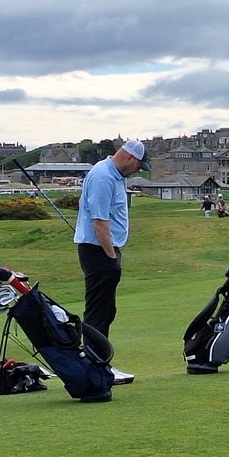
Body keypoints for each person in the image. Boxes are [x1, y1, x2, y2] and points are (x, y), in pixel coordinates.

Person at [74, 139, 150, 385]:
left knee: (106, 311)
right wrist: (111, 255)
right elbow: (99, 222)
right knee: (98, 312)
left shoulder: (113, 176)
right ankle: (96, 366)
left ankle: (100, 363)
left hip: (104, 250)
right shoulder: (103, 177)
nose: (138, 170)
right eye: (139, 165)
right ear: (129, 158)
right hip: (99, 251)